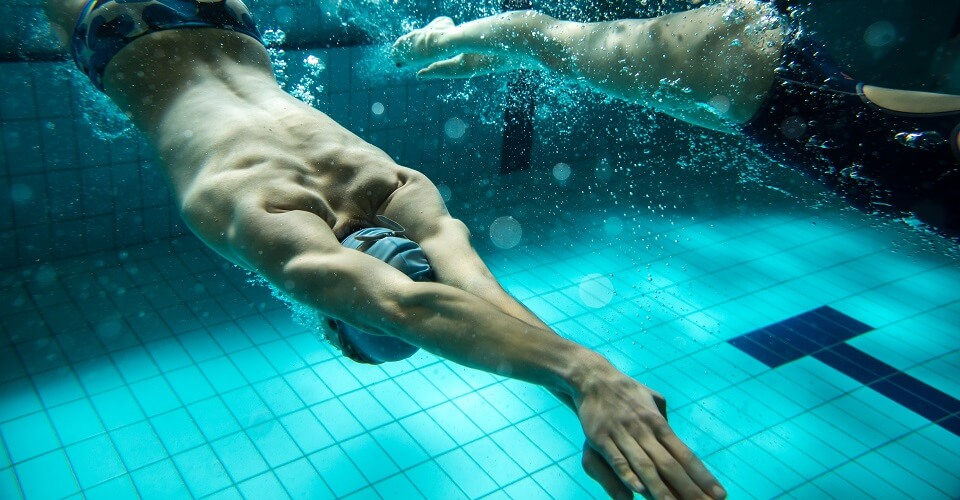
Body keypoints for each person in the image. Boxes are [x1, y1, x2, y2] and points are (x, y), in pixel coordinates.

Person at [42, 0, 727, 498]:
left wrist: (587, 378)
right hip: (127, 35)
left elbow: (439, 298)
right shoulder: (272, 213)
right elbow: (428, 302)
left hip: (215, 19)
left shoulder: (364, 193)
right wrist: (584, 381)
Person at [393, 0, 960, 238]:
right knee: (551, 38)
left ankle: (486, 52)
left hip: (761, 106)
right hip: (760, 65)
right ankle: (440, 38)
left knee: (575, 59)